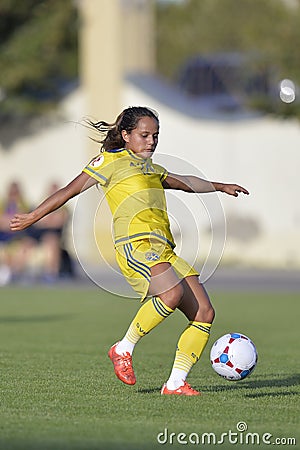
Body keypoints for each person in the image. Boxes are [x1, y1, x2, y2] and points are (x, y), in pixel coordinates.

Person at [10, 106, 249, 395]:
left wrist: (220, 186)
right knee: (170, 294)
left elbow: (185, 183)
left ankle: (175, 383)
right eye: (144, 135)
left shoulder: (151, 168)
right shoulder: (109, 162)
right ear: (125, 135)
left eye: (155, 135)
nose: (151, 141)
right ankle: (122, 348)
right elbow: (69, 191)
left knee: (204, 313)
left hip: (164, 248)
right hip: (135, 244)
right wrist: (33, 216)